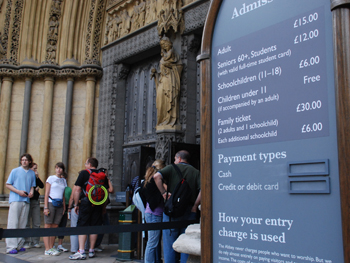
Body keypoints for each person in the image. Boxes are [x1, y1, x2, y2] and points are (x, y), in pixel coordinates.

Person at [153, 150, 201, 263]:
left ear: (179, 158)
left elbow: (156, 177)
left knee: (169, 243)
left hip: (172, 210)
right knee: (187, 242)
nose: (175, 161)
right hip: (189, 210)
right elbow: (203, 189)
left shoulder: (171, 168)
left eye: (175, 158)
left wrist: (163, 193)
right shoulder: (195, 172)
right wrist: (195, 205)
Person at [69, 157, 110, 260]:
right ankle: (91, 250)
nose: (84, 165)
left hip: (86, 202)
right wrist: (103, 207)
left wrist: (76, 204)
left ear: (89, 164)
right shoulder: (102, 175)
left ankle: (81, 251)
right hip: (98, 203)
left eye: (85, 163)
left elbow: (77, 189)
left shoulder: (83, 173)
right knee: (95, 226)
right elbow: (106, 191)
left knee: (82, 225)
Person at [5, 153, 36, 254]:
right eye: (22, 160)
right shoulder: (15, 171)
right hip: (16, 199)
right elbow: (8, 184)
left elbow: (32, 186)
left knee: (22, 223)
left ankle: (19, 244)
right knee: (13, 223)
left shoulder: (32, 173)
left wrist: (31, 192)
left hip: (26, 201)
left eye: (26, 160)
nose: (24, 161)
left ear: (29, 161)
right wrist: (18, 192)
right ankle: (10, 246)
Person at [143, 160, 165, 263]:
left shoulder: (149, 180)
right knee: (152, 242)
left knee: (152, 241)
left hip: (150, 212)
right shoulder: (155, 181)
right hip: (155, 213)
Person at [43, 162, 67, 256]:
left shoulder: (63, 180)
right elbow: (46, 193)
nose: (58, 170)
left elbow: (63, 194)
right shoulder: (51, 178)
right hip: (50, 203)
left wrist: (64, 206)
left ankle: (52, 247)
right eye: (57, 168)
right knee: (48, 225)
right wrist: (45, 207)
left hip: (59, 204)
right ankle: (47, 248)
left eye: (60, 168)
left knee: (55, 226)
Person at [24, 162, 44, 249]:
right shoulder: (26, 176)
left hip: (35, 201)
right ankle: (27, 241)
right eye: (34, 168)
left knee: (36, 222)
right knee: (27, 222)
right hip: (27, 201)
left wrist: (37, 177)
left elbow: (42, 185)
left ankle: (35, 241)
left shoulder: (35, 177)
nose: (35, 170)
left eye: (36, 168)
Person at [55, 172, 71, 252]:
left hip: (66, 208)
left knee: (62, 226)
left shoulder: (68, 189)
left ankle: (60, 244)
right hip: (57, 207)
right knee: (54, 226)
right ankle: (52, 244)